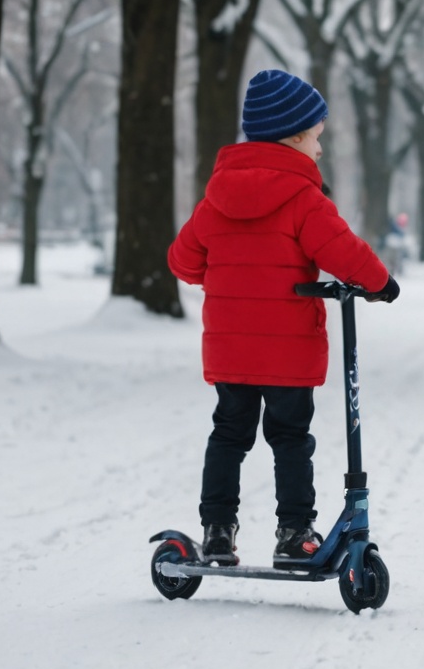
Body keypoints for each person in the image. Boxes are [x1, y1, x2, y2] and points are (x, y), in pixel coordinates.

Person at [168, 69, 400, 569]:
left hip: (230, 352)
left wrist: (224, 274)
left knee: (229, 434)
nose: (319, 149)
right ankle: (294, 533)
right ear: (294, 136)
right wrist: (381, 284)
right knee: (290, 439)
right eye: (317, 137)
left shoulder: (216, 198)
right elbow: (345, 252)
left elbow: (183, 260)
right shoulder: (302, 199)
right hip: (287, 352)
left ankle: (217, 532)